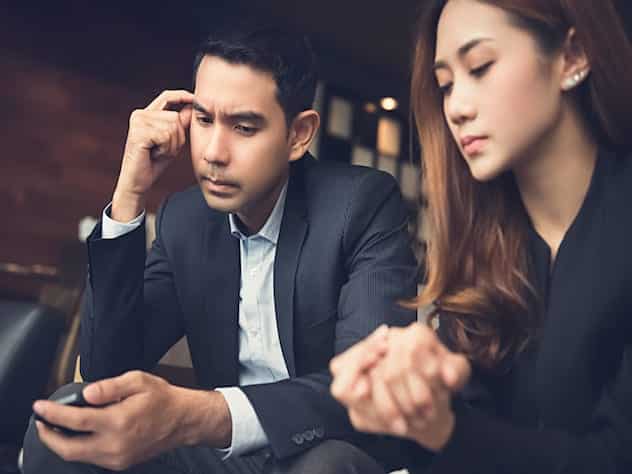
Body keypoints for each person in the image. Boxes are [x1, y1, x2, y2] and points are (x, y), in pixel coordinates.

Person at [22, 25, 418, 474]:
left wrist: (198, 414)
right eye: (204, 120)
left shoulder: (360, 205)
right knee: (69, 419)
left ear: (298, 134)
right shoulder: (186, 220)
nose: (213, 152)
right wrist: (129, 192)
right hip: (226, 457)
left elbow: (369, 389)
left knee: (324, 466)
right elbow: (105, 373)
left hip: (327, 447)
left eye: (244, 127)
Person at [330, 0, 632, 472]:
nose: (457, 108)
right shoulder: (483, 247)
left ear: (572, 57)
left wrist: (447, 430)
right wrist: (410, 397)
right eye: (445, 86)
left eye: (480, 67)